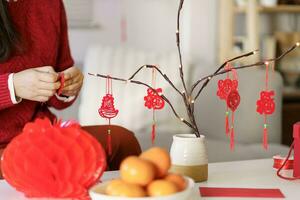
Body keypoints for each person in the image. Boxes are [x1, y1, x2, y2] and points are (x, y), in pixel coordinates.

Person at [0, 0, 141, 175]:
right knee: (37, 167)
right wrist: (11, 86)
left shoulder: (51, 4)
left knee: (121, 141)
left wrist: (67, 86)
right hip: (6, 150)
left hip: (41, 137)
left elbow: (60, 79)